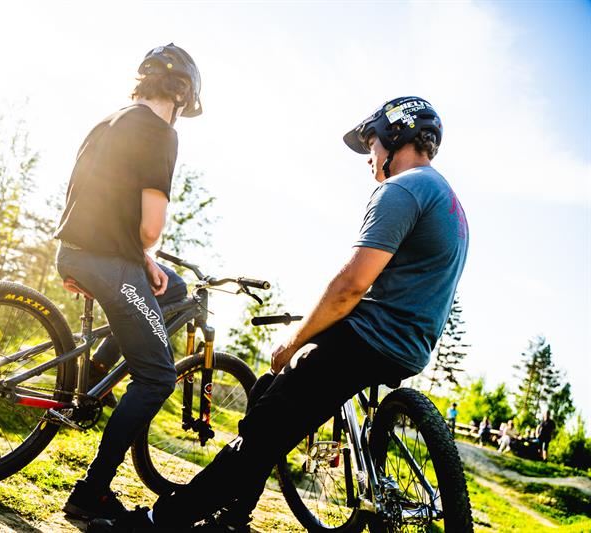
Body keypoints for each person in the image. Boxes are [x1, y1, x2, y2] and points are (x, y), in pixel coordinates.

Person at [89, 95, 469, 533]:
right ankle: (233, 515)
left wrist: (295, 341)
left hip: (365, 341)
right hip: (410, 348)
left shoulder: (401, 189)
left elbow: (351, 286)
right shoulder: (451, 202)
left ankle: (157, 522)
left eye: (372, 146)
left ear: (393, 135)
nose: (370, 158)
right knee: (270, 394)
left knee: (257, 439)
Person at [55, 43, 203, 521]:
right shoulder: (160, 132)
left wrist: (143, 261)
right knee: (158, 376)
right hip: (108, 263)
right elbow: (151, 228)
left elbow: (99, 203)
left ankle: (98, 369)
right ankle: (92, 491)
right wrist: (141, 251)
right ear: (182, 96)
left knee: (174, 289)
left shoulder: (109, 121)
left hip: (76, 251)